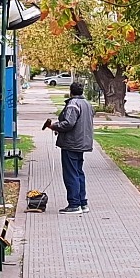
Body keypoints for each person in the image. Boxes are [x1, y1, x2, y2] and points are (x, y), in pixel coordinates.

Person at [43, 80, 94, 214]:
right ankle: (82, 203)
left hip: (71, 143)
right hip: (82, 142)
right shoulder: (87, 104)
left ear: (70, 91)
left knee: (71, 174)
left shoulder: (73, 104)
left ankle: (74, 204)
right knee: (78, 172)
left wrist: (54, 126)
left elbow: (68, 123)